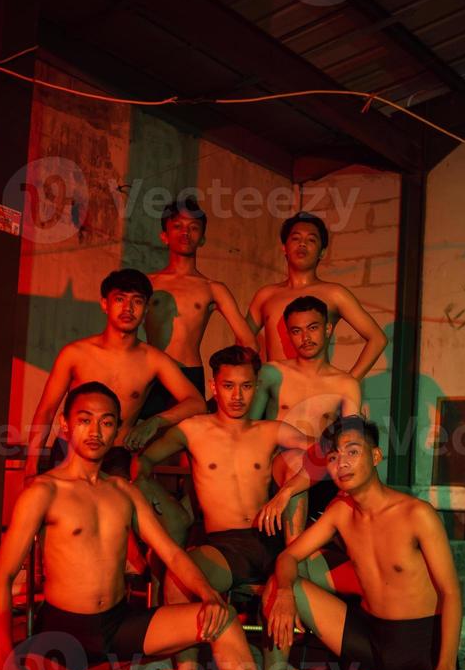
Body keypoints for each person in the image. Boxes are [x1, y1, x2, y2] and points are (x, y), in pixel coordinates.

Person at [0, 381, 341, 670]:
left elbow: (172, 554)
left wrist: (209, 596)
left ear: (116, 429)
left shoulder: (124, 492)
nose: (96, 431)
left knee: (221, 621)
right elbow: (1, 579)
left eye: (106, 422)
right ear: (66, 426)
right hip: (64, 629)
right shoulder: (44, 492)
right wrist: (6, 659)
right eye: (85, 420)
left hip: (119, 622)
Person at [259, 415, 465, 670]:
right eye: (332, 457)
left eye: (352, 452)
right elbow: (288, 556)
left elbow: (451, 593)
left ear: (375, 456)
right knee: (278, 583)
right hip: (370, 640)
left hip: (421, 652)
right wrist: (284, 593)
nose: (341, 463)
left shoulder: (417, 515)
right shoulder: (340, 511)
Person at [132, 345, 314, 670]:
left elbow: (324, 455)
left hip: (271, 536)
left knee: (296, 461)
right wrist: (163, 509)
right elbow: (142, 464)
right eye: (228, 386)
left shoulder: (270, 430)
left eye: (246, 386)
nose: (237, 395)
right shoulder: (193, 430)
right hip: (225, 546)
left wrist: (284, 494)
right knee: (180, 578)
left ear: (256, 386)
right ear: (214, 387)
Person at [23, 268, 204, 544]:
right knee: (66, 530)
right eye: (120, 299)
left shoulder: (153, 359)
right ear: (105, 304)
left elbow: (196, 402)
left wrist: (155, 422)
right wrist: (31, 468)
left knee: (140, 526)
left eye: (137, 301)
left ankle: (136, 578)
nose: (128, 308)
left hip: (118, 454)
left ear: (145, 311)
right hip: (70, 452)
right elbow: (46, 411)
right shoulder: (76, 353)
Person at [250, 294, 361, 537]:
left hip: (323, 473)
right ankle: (294, 557)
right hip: (276, 469)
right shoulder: (272, 373)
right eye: (297, 331)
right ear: (289, 335)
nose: (306, 338)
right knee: (297, 456)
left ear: (328, 328)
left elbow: (351, 442)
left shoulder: (345, 384)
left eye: (313, 328)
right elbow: (249, 429)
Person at [140, 196, 257, 419]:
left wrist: (227, 384)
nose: (185, 233)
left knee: (186, 445)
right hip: (150, 372)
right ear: (164, 236)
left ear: (202, 238)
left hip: (189, 373)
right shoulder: (149, 284)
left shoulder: (212, 288)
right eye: (177, 226)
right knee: (142, 442)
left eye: (193, 227)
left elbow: (249, 341)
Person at [246, 211, 387, 374]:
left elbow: (377, 339)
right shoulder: (266, 295)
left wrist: (349, 382)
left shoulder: (334, 294)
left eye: (311, 240)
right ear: (284, 247)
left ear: (322, 252)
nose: (302, 244)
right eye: (296, 238)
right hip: (276, 392)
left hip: (315, 393)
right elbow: (243, 341)